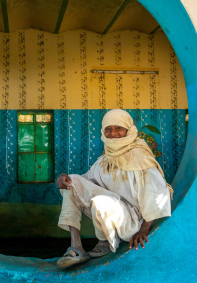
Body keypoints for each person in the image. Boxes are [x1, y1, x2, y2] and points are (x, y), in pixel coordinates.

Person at [55, 109, 173, 268]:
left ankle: (105, 242)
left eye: (119, 128)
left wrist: (144, 229)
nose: (113, 133)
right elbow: (86, 182)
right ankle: (76, 247)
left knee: (100, 201)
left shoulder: (139, 156)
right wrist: (65, 178)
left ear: (128, 130)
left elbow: (157, 193)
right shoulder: (105, 159)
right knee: (73, 181)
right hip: (109, 211)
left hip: (132, 222)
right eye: (108, 129)